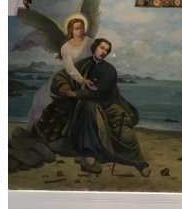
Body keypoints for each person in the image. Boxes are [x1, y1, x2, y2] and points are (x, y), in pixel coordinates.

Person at [66, 39, 150, 177]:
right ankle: (90, 153)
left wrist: (77, 93)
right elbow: (70, 76)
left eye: (106, 50)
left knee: (125, 131)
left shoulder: (109, 70)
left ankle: (140, 163)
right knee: (88, 108)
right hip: (89, 103)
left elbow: (101, 93)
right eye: (102, 48)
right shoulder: (82, 65)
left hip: (108, 104)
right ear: (95, 47)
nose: (103, 52)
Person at [28, 18, 94, 142]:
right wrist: (81, 80)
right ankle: (51, 134)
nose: (80, 31)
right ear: (71, 30)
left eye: (81, 27)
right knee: (53, 99)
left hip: (89, 75)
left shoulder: (91, 43)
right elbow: (70, 68)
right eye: (76, 28)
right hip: (71, 76)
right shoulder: (66, 46)